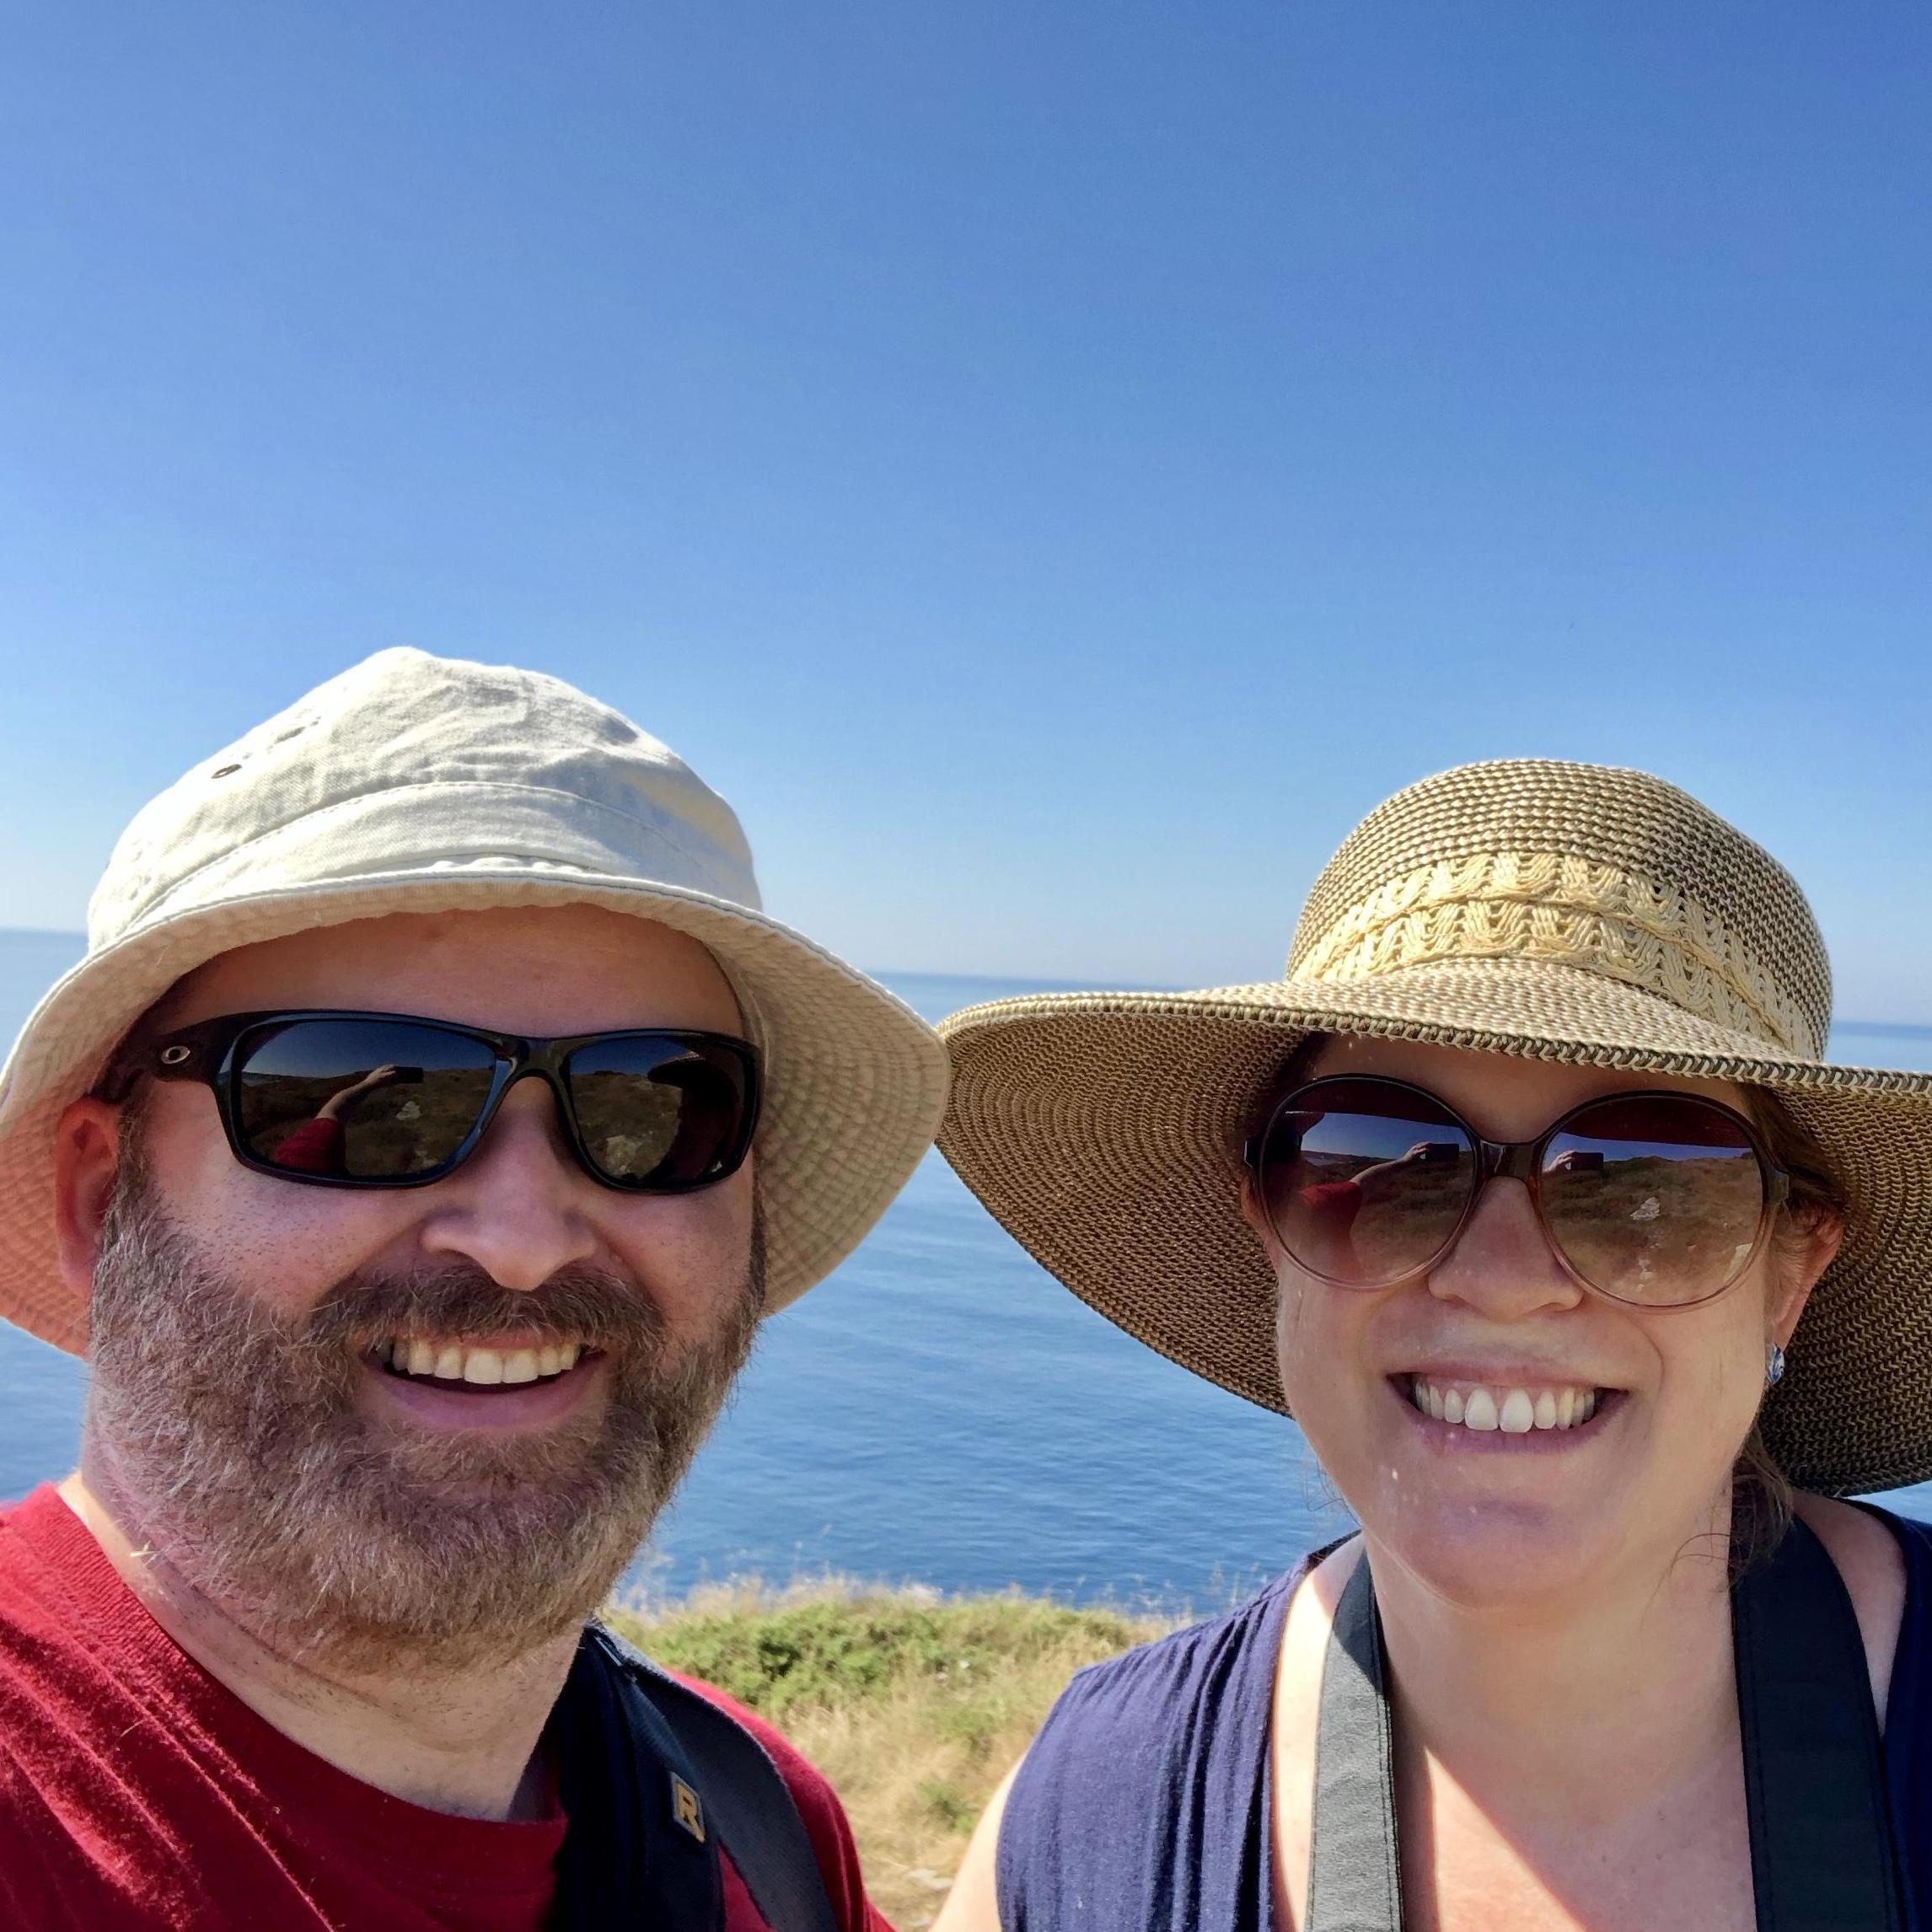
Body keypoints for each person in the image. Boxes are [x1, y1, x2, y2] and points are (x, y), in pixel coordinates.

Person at [0, 647, 950, 1931]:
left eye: (656, 1104)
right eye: (364, 1094)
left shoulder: (761, 1828)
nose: (521, 1240)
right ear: (98, 1196)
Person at [932, 759, 1932, 1931]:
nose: (1501, 1281)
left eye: (1645, 1181)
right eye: (1377, 1160)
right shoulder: (1086, 1821)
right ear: (1270, 1227)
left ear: (1790, 1275)